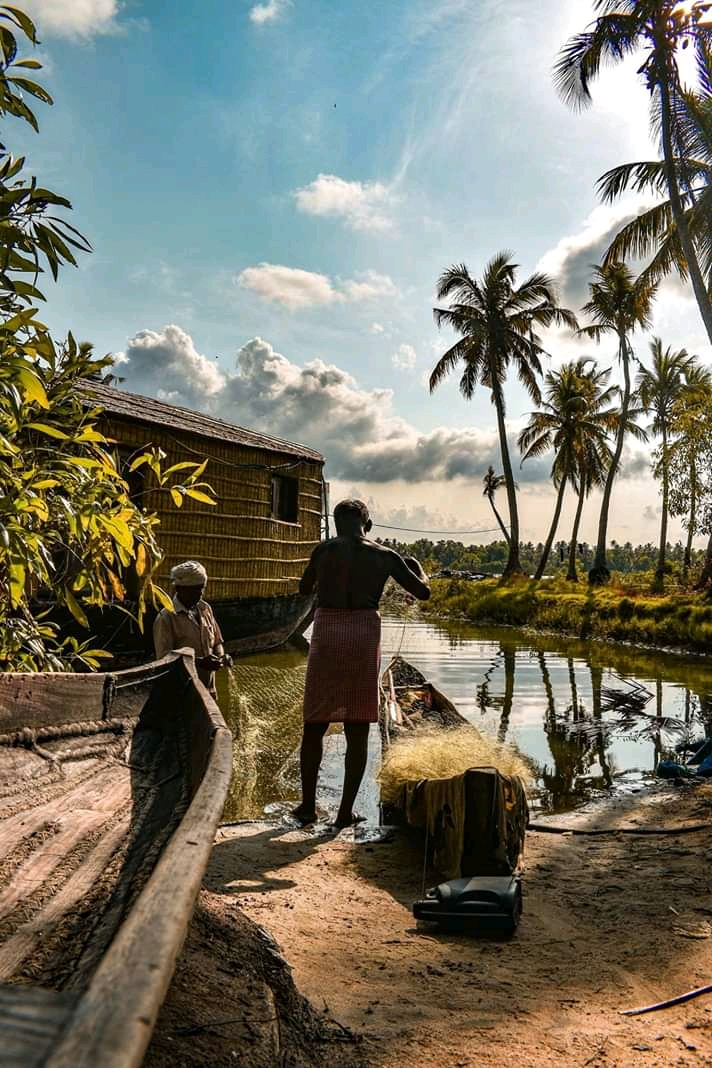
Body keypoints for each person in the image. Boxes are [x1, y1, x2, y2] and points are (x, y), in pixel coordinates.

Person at [293, 499, 430, 828]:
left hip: (327, 633)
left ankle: (308, 807)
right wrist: (416, 566)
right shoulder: (384, 555)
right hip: (363, 636)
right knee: (357, 726)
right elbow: (422, 592)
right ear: (366, 525)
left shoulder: (323, 551)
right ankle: (344, 813)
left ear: (337, 523)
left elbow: (303, 588)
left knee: (314, 723)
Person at [153, 559, 232, 696]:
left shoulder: (205, 609)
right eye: (194, 589)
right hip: (182, 694)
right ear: (179, 588)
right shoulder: (166, 618)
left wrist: (221, 656)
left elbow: (217, 642)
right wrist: (200, 662)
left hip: (209, 691)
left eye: (202, 588)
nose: (200, 593)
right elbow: (164, 661)